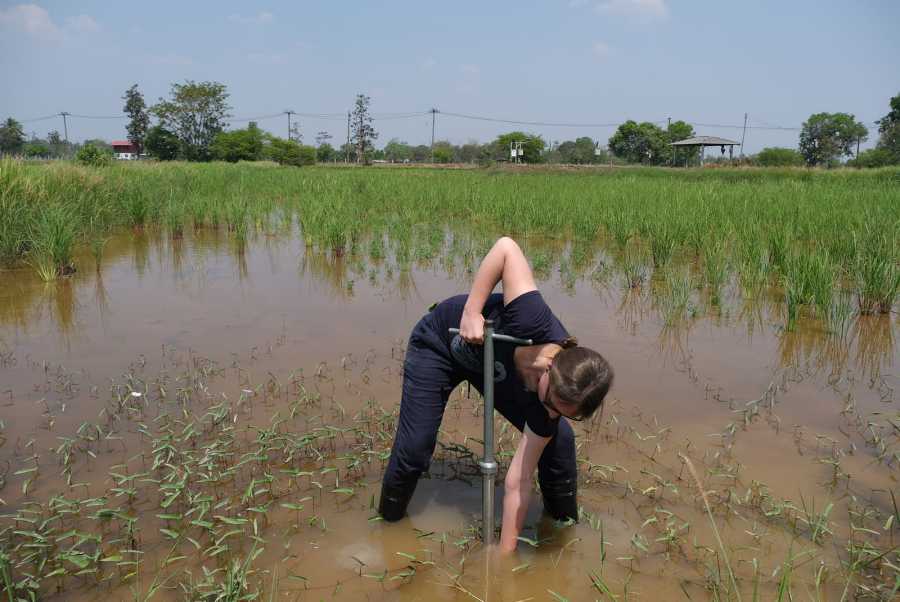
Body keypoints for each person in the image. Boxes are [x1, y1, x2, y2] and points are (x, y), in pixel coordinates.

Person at [378, 236, 613, 552]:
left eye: (562, 412)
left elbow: (518, 480)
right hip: (440, 343)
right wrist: (472, 311)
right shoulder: (531, 318)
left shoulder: (550, 406)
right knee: (415, 447)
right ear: (550, 369)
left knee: (559, 441)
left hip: (491, 366)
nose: (551, 412)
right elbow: (506, 248)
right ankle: (388, 526)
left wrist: (504, 555)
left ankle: (562, 526)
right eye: (549, 402)